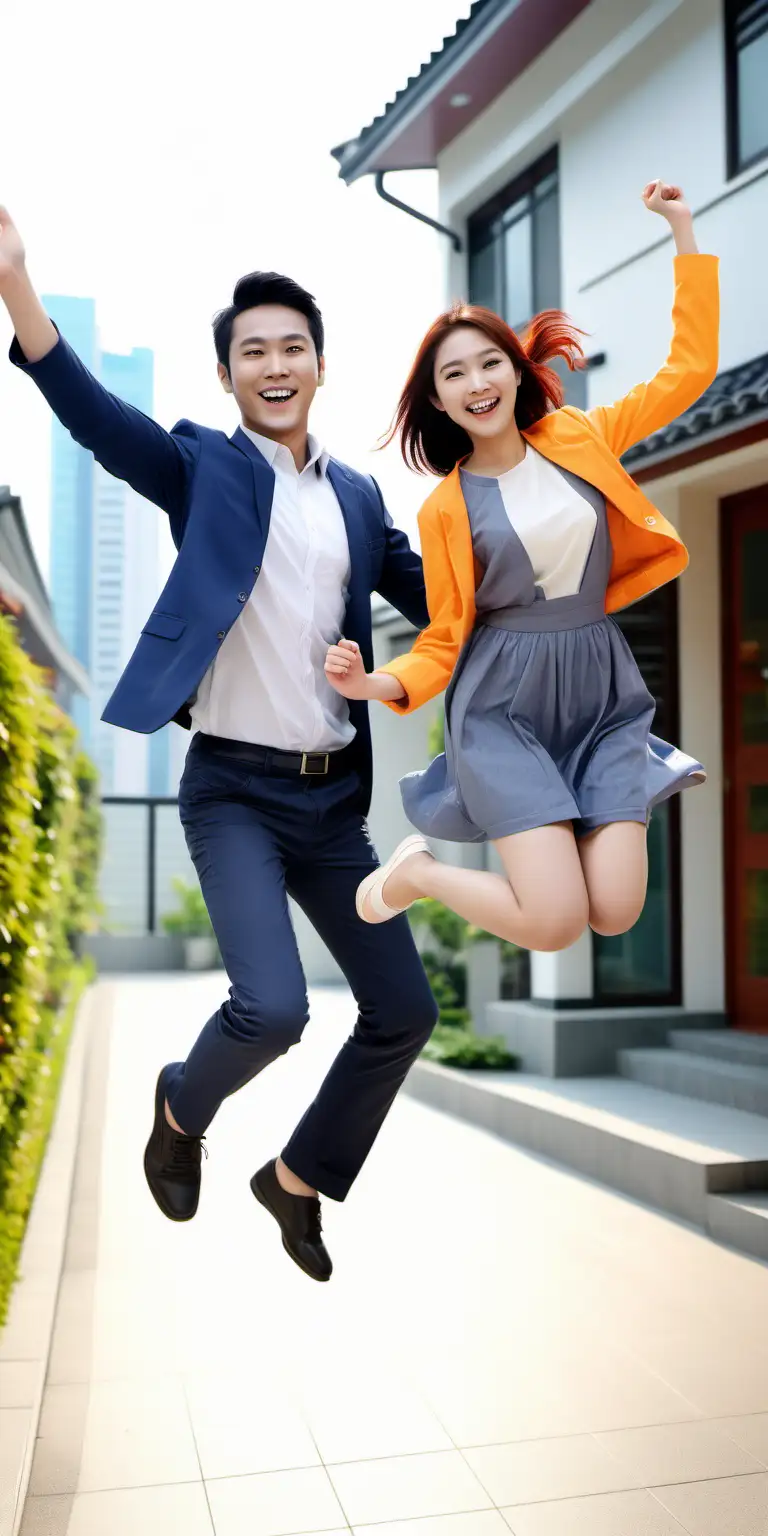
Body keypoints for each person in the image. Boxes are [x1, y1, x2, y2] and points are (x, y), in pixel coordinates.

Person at [0, 206, 438, 1283]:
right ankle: (179, 1106)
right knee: (275, 1009)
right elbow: (100, 422)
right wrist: (18, 289)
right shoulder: (202, 467)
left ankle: (296, 1180)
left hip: (334, 802)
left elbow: (444, 602)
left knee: (404, 1012)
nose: (276, 365)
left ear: (322, 367)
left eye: (293, 347)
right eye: (255, 352)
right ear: (227, 374)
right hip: (234, 791)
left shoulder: (359, 494)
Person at [325, 181, 718, 953]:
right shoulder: (444, 508)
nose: (477, 384)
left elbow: (690, 369)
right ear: (436, 401)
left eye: (488, 364)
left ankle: (543, 849)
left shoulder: (580, 437)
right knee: (554, 922)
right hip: (502, 705)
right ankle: (420, 874)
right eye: (454, 375)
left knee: (615, 909)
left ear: (514, 369)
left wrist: (682, 230)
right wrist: (379, 684)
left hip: (600, 688)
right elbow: (445, 635)